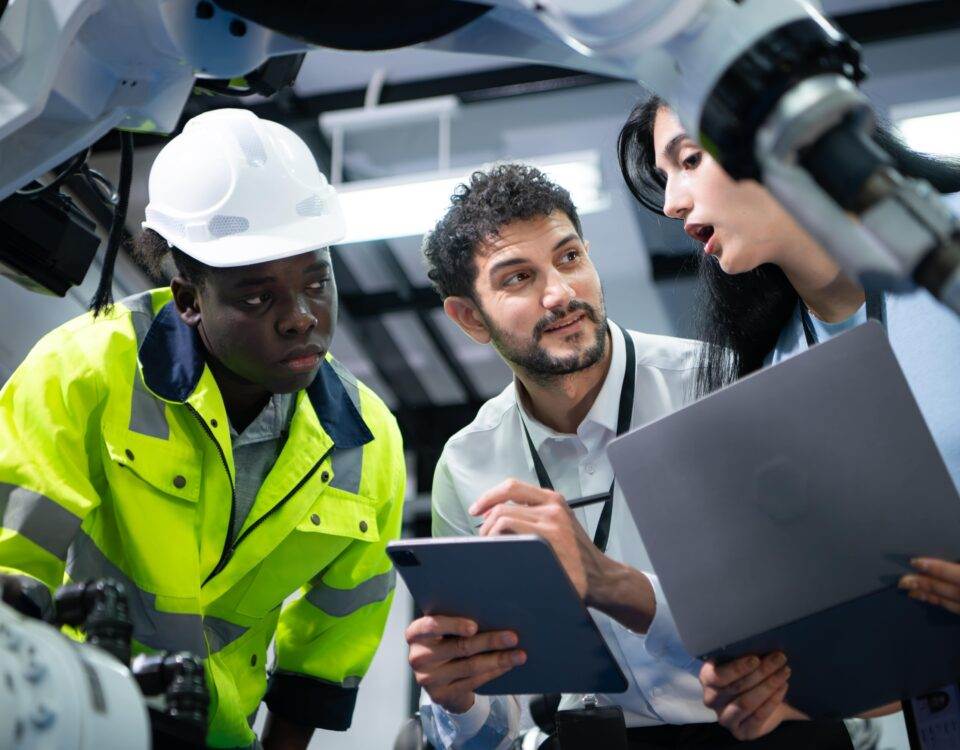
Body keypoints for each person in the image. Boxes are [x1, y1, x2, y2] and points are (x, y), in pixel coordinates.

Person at [407, 163, 853, 748]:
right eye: (518, 278)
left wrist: (611, 582)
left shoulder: (717, 386)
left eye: (569, 258)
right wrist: (457, 701)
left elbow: (811, 610)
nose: (561, 294)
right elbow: (491, 730)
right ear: (470, 318)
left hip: (770, 732)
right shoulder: (467, 465)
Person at [0, 108, 406, 749]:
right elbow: (11, 573)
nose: (300, 318)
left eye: (315, 281)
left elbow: (333, 639)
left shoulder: (367, 440)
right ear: (189, 298)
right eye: (257, 295)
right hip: (78, 721)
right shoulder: (84, 372)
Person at [618, 94, 960, 741]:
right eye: (665, 180)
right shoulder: (774, 368)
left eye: (689, 160)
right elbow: (894, 658)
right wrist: (779, 692)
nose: (672, 203)